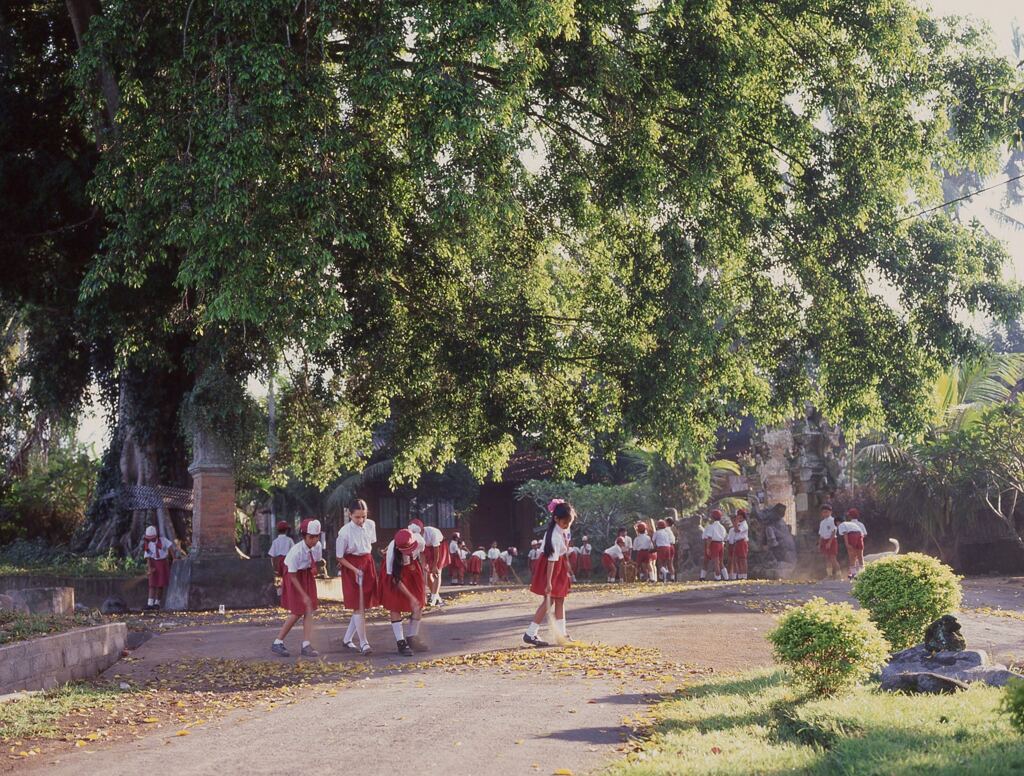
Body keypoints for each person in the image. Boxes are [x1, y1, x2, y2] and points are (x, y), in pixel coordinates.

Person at [523, 499, 575, 646]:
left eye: (569, 522)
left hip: (558, 566)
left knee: (559, 600)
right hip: (551, 569)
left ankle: (561, 634)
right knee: (550, 600)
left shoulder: (560, 531)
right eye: (565, 523)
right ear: (556, 519)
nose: (567, 525)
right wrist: (549, 583)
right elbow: (551, 561)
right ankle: (530, 633)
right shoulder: (554, 537)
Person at [272, 518, 323, 657]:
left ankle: (306, 644)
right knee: (297, 611)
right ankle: (278, 641)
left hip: (306, 575)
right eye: (311, 537)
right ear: (304, 536)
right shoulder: (296, 551)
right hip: (293, 576)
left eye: (316, 537)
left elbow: (315, 561)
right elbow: (292, 575)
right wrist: (304, 595)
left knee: (308, 610)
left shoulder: (317, 546)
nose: (314, 540)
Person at [335, 499, 378, 655]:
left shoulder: (371, 525)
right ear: (350, 515)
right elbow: (339, 557)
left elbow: (370, 543)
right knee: (357, 605)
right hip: (351, 566)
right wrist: (354, 569)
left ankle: (347, 639)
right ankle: (364, 643)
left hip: (367, 563)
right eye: (357, 517)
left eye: (364, 516)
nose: (361, 520)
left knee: (363, 605)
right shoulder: (344, 532)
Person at [379, 528, 426, 656]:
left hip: (413, 569)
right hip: (397, 573)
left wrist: (424, 574)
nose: (408, 552)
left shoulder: (420, 541)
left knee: (419, 604)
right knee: (395, 605)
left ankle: (412, 637)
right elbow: (395, 579)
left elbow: (421, 555)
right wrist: (410, 597)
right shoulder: (392, 553)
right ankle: (400, 642)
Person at [142, 525, 175, 610]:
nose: (151, 539)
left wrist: (174, 557)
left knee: (160, 584)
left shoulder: (163, 540)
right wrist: (150, 568)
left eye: (152, 537)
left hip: (163, 563)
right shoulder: (148, 545)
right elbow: (148, 557)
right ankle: (150, 604)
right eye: (149, 538)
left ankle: (157, 603)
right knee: (152, 584)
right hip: (153, 563)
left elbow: (170, 547)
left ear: (156, 535)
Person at [421, 522, 450, 606]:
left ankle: (433, 598)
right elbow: (421, 553)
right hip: (428, 548)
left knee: (436, 572)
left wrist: (434, 566)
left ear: (422, 529)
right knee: (428, 573)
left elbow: (436, 550)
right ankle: (436, 597)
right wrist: (423, 565)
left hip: (440, 547)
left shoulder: (432, 532)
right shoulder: (414, 535)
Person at [839, 508, 867, 579]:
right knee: (860, 557)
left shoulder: (848, 524)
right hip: (860, 539)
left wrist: (847, 543)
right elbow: (865, 534)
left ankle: (853, 574)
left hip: (851, 540)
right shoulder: (861, 524)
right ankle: (862, 573)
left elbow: (845, 534)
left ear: (850, 516)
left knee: (852, 557)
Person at [701, 510, 728, 581]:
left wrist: (707, 548)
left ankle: (718, 577)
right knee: (720, 561)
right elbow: (725, 537)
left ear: (712, 517)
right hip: (721, 544)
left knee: (715, 561)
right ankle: (726, 577)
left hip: (713, 544)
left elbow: (709, 538)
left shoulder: (711, 526)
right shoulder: (722, 527)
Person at [818, 503, 840, 579]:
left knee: (833, 558)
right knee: (827, 558)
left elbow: (834, 531)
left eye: (827, 512)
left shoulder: (832, 520)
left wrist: (830, 542)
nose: (825, 513)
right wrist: (820, 543)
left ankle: (838, 574)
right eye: (823, 512)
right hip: (824, 540)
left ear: (830, 512)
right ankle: (829, 575)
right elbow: (821, 534)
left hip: (832, 540)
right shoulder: (822, 522)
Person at [727, 508, 750, 580]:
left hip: (742, 542)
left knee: (743, 559)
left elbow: (737, 530)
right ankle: (740, 575)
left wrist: (735, 522)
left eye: (739, 516)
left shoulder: (744, 524)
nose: (738, 518)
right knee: (737, 559)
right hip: (736, 543)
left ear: (742, 516)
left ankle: (744, 575)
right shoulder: (739, 523)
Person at [663, 516, 679, 581]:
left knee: (663, 563)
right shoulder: (672, 529)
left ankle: (664, 577)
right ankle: (672, 577)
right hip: (672, 546)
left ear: (667, 523)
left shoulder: (665, 530)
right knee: (670, 563)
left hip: (667, 546)